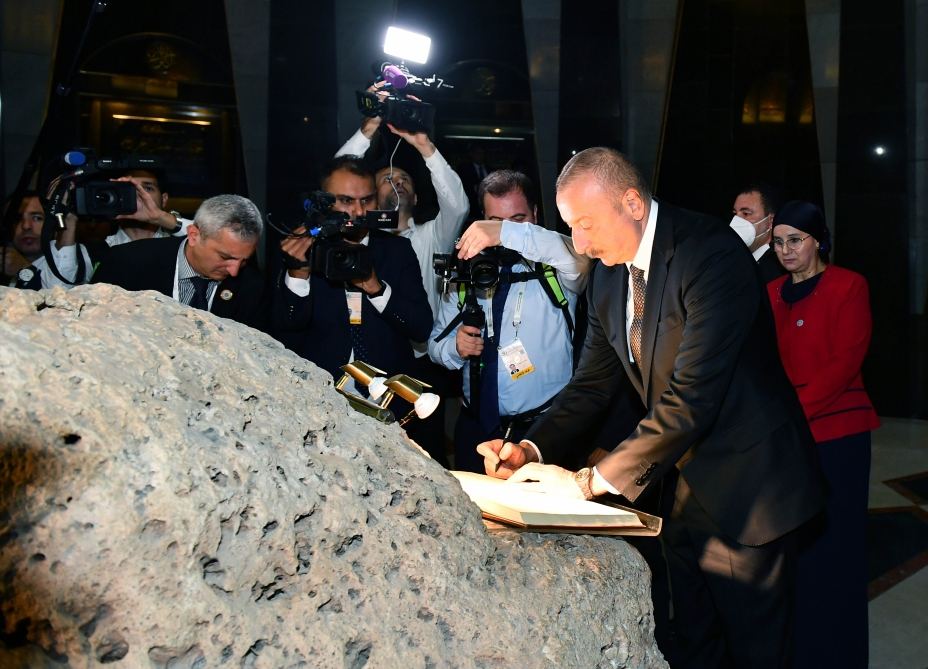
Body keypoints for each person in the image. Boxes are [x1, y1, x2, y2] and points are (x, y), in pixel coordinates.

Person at [479, 148, 823, 669]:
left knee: (757, 654)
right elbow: (593, 384)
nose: (581, 244)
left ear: (633, 203)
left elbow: (691, 400)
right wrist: (530, 448)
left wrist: (587, 482)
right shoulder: (609, 275)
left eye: (588, 224)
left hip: (751, 491)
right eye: (571, 227)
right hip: (680, 489)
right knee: (692, 644)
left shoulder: (710, 255)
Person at [767, 200, 879, 669]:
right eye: (778, 242)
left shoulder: (849, 285)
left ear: (817, 240)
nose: (786, 250)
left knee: (838, 552)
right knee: (796, 555)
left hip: (839, 437)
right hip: (786, 439)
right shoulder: (770, 291)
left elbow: (845, 362)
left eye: (796, 240)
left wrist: (792, 415)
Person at [430, 170, 589, 472]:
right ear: (481, 220)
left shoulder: (556, 268)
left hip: (542, 429)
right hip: (475, 428)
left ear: (536, 214)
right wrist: (455, 347)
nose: (503, 233)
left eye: (518, 219)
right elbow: (435, 346)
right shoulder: (467, 273)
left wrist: (505, 233)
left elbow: (579, 258)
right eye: (495, 222)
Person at [272, 156, 432, 416]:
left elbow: (421, 327)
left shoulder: (397, 250)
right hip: (318, 397)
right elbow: (286, 328)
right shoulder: (302, 246)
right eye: (346, 201)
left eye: (366, 200)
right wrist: (298, 275)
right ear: (323, 203)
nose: (358, 212)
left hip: (389, 399)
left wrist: (376, 288)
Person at [91, 194, 266, 328]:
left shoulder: (252, 286)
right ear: (194, 236)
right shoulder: (126, 263)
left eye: (243, 261)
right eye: (225, 257)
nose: (234, 270)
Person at [2, 190, 91, 290]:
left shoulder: (78, 256)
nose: (26, 226)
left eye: (37, 218)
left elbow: (59, 292)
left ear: (54, 220)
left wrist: (24, 269)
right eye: (17, 219)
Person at [731, 182, 786, 283]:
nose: (736, 221)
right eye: (735, 214)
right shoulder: (736, 262)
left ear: (770, 221)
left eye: (746, 213)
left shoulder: (778, 268)